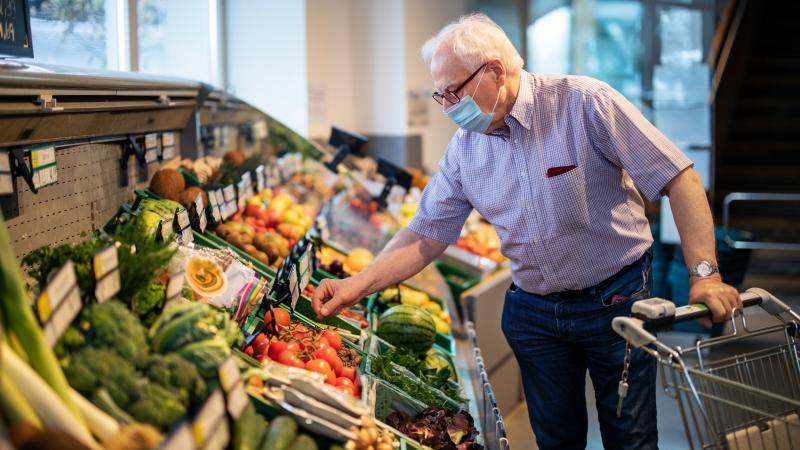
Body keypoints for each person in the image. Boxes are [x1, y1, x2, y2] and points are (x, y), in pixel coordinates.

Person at [312, 13, 741, 450]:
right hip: (534, 314)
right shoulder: (465, 150)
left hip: (617, 299)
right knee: (555, 439)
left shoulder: (585, 102)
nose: (448, 107)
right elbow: (424, 235)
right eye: (439, 96)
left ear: (495, 71)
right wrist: (357, 285)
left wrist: (704, 274)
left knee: (629, 437)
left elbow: (677, 178)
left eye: (454, 92)